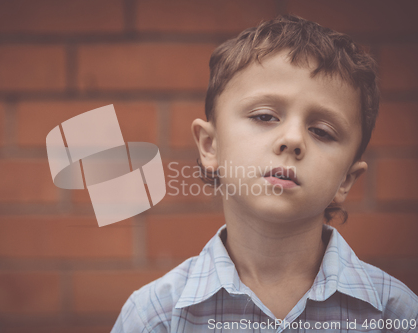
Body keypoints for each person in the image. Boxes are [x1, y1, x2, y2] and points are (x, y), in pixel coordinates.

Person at [112, 15, 418, 332]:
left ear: (345, 180)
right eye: (265, 116)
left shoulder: (395, 315)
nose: (293, 139)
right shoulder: (155, 317)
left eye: (322, 131)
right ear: (210, 146)